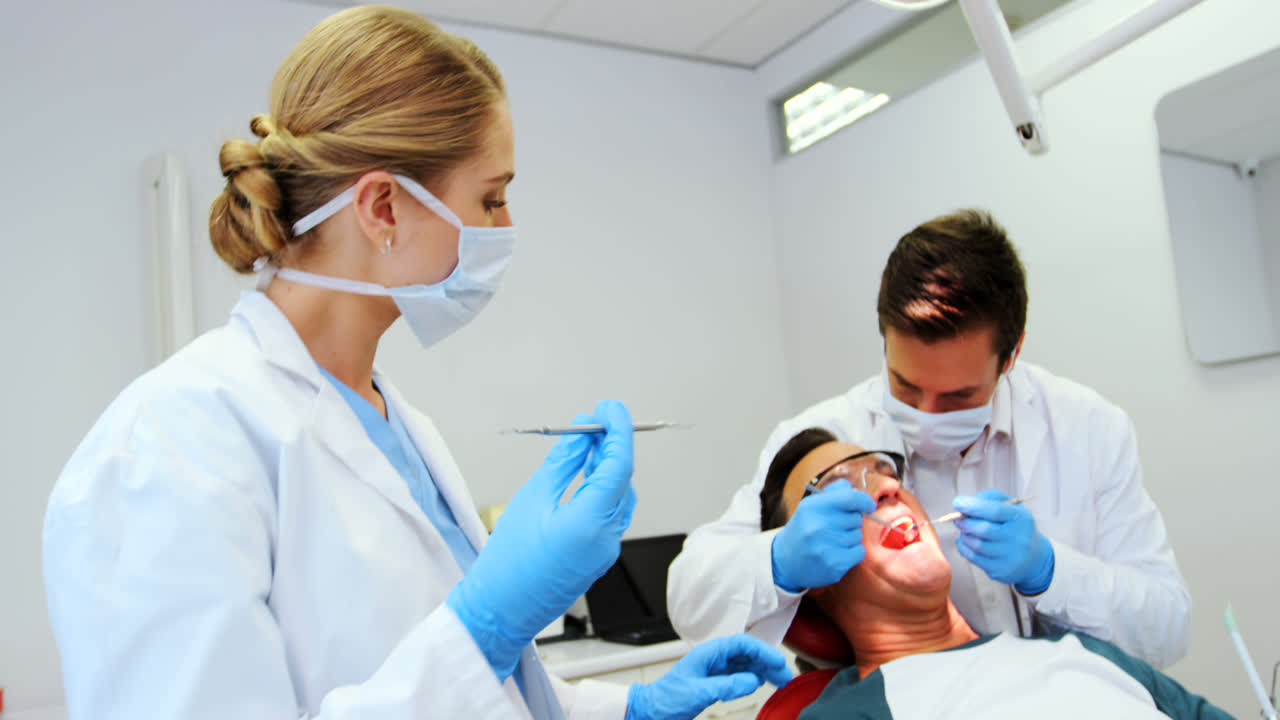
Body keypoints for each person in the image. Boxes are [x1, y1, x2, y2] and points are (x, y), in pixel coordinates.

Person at [41, 7, 790, 720]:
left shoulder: (396, 423)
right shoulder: (170, 444)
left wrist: (630, 705)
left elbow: (468, 686)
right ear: (383, 208)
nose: (506, 227)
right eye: (492, 199)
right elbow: (454, 661)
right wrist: (489, 621)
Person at [667, 210, 1190, 668]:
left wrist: (1050, 572)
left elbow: (1167, 629)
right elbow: (689, 599)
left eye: (959, 396)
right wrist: (778, 559)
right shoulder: (826, 439)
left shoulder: (1088, 428)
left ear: (1010, 357)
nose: (927, 413)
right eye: (906, 386)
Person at [763, 429, 1230, 719]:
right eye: (841, 490)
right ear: (814, 570)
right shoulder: (848, 713)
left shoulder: (1082, 652)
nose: (886, 487)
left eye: (885, 471)